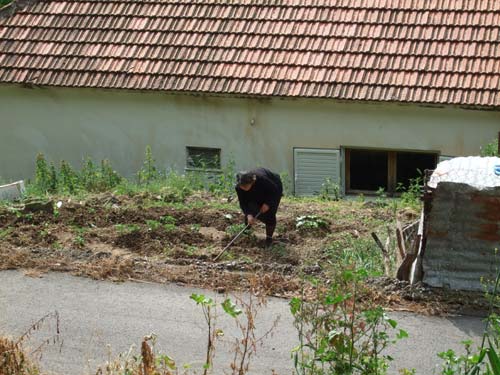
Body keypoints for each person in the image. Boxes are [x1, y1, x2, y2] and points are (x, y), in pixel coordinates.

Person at [235, 168, 283, 247]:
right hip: (260, 189)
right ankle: (246, 233)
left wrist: (268, 203)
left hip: (275, 186)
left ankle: (269, 239)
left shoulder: (262, 180)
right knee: (250, 207)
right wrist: (248, 214)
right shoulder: (239, 188)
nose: (243, 188)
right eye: (241, 186)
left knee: (270, 212)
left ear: (252, 182)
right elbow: (243, 203)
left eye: (245, 186)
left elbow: (275, 191)